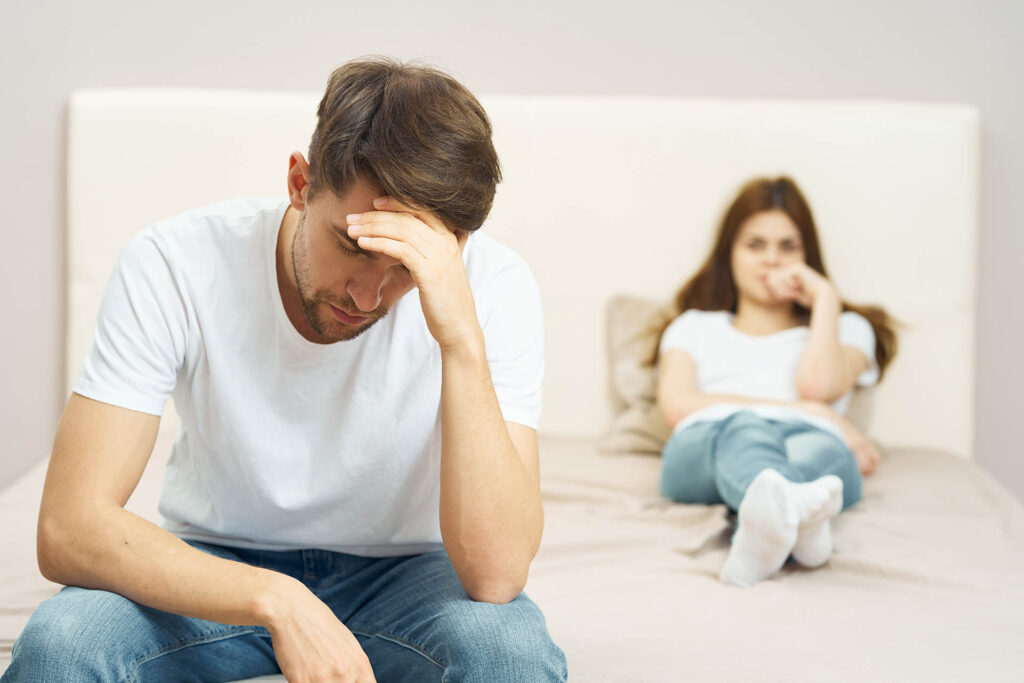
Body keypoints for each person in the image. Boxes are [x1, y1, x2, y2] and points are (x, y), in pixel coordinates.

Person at [3, 58, 567, 682]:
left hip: (411, 578)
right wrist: (277, 599)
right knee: (63, 644)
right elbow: (67, 527)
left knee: (510, 656)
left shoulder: (495, 285)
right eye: (353, 247)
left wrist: (461, 337)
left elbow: (496, 577)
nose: (368, 297)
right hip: (216, 562)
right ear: (301, 182)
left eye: (405, 267)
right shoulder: (176, 263)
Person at [652, 176, 897, 588]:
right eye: (755, 245)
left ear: (808, 256)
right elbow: (677, 405)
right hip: (707, 442)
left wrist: (825, 300)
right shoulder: (693, 327)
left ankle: (776, 523)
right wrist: (815, 413)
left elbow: (817, 385)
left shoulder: (847, 328)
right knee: (744, 425)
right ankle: (800, 523)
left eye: (788, 246)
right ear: (729, 253)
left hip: (809, 441)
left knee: (821, 454)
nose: (772, 260)